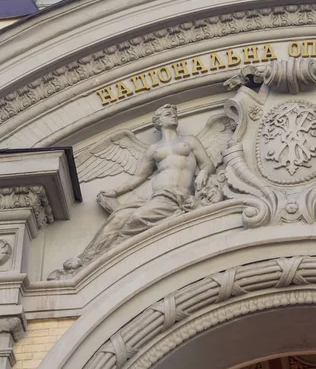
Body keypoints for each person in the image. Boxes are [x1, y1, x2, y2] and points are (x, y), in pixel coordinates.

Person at [48, 104, 214, 279]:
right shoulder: (153, 150)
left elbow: (207, 163)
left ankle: (109, 257)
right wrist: (115, 192)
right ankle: (85, 259)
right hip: (155, 196)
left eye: (174, 113)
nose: (173, 116)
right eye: (168, 114)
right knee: (118, 217)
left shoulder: (189, 141)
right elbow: (138, 177)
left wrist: (203, 172)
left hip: (176, 196)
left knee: (136, 218)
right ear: (158, 121)